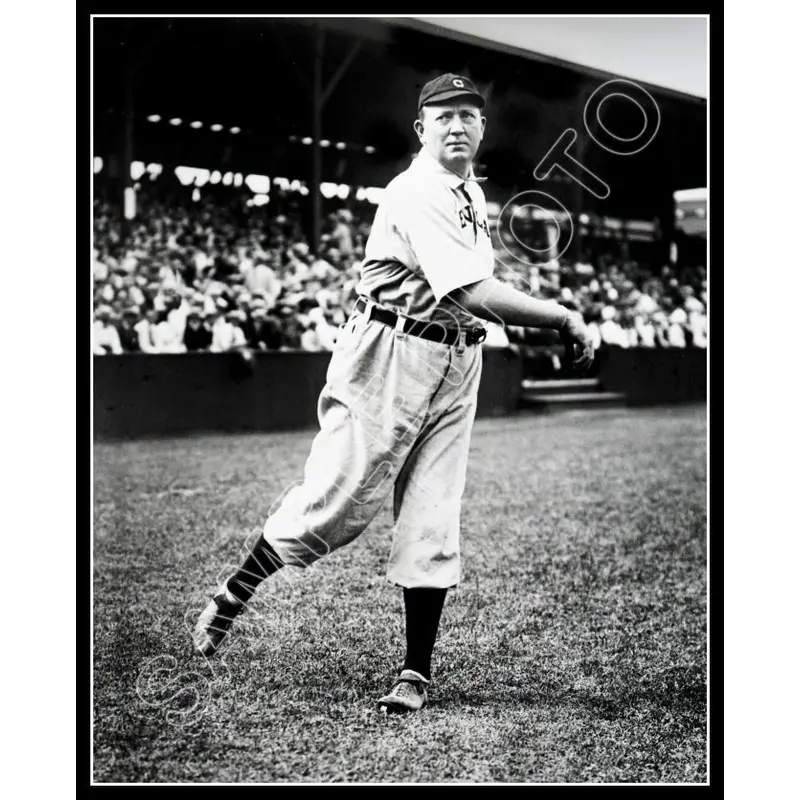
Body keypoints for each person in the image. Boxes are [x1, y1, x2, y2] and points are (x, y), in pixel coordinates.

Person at [193, 73, 593, 713]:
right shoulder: (416, 190)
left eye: (469, 115)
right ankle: (234, 592)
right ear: (421, 128)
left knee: (435, 511)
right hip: (389, 350)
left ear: (482, 127)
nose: (457, 125)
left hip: (456, 358)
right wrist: (562, 316)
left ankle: (414, 673)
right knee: (335, 500)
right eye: (444, 116)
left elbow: (468, 301)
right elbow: (466, 292)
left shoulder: (466, 189)